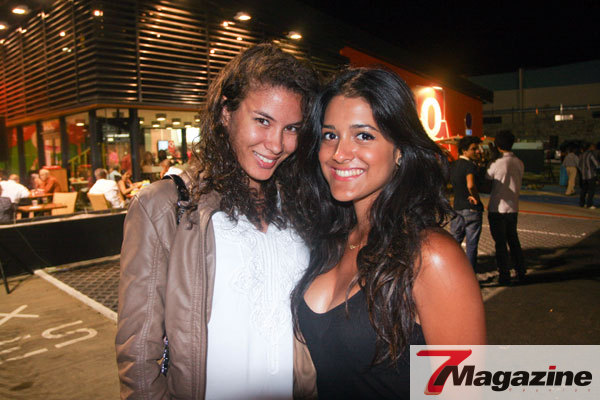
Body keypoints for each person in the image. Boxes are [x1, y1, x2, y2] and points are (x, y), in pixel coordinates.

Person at [116, 43, 319, 399]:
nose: (276, 144)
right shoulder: (166, 206)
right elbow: (138, 353)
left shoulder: (299, 205)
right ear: (226, 112)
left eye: (292, 128)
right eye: (262, 121)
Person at [290, 68, 485, 399]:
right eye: (330, 135)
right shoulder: (332, 240)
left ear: (400, 150)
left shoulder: (431, 256)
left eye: (364, 136)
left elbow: (465, 391)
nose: (339, 153)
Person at [485, 130, 525, 285]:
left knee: (500, 244)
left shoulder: (496, 163)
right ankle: (520, 270)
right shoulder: (519, 162)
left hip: (497, 208)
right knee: (513, 240)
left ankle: (504, 274)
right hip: (513, 207)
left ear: (497, 145)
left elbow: (487, 181)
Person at [450, 136, 484, 274]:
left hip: (457, 207)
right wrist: (476, 197)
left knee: (454, 242)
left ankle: (451, 271)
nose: (477, 151)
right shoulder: (470, 166)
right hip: (471, 208)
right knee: (471, 245)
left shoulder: (453, 165)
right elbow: (470, 184)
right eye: (473, 149)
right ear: (464, 150)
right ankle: (469, 275)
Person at [578, 143, 598, 209]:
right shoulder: (591, 155)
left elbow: (579, 165)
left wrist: (583, 171)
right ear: (590, 147)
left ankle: (582, 203)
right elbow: (596, 164)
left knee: (583, 189)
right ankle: (589, 204)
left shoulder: (581, 155)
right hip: (591, 175)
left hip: (584, 176)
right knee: (591, 190)